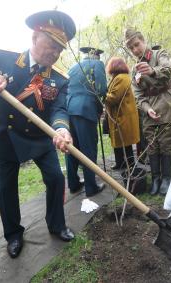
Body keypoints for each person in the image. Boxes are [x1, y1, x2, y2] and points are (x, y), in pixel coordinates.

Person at [0, 10, 77, 259]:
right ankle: (14, 235)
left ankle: (57, 224)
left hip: (40, 138)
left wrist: (61, 129)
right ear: (34, 37)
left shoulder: (60, 79)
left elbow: (60, 109)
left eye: (59, 50)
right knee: (7, 189)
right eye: (51, 44)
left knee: (55, 178)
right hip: (4, 137)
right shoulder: (3, 59)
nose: (54, 53)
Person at [125, 28, 171, 195]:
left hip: (167, 105)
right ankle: (156, 179)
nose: (135, 50)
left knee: (166, 144)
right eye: (131, 48)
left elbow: (168, 71)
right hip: (149, 110)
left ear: (143, 41)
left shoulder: (159, 54)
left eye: (137, 45)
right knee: (152, 145)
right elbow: (137, 95)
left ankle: (166, 178)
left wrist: (152, 70)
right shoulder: (134, 69)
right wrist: (147, 108)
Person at [65, 47, 107, 196]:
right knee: (88, 148)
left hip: (68, 110)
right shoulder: (97, 65)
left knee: (71, 148)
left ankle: (73, 183)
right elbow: (101, 89)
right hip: (85, 109)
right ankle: (91, 187)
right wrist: (100, 104)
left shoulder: (73, 67)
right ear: (96, 56)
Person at [104, 57, 140, 170]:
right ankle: (120, 163)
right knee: (119, 141)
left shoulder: (121, 78)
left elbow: (114, 98)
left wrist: (100, 94)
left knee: (126, 142)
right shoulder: (118, 77)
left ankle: (130, 165)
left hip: (123, 115)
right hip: (119, 115)